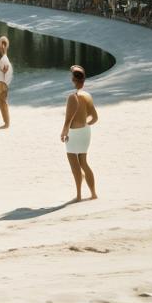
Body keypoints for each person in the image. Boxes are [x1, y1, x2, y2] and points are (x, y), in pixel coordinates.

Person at [62, 65, 99, 201]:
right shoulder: (87, 96)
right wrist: (85, 125)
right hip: (85, 132)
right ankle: (93, 194)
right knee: (84, 163)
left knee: (74, 164)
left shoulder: (73, 97)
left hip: (74, 134)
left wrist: (64, 133)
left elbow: (68, 120)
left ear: (73, 80)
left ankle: (78, 195)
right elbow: (95, 118)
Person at [0, 36, 13, 129]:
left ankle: (7, 123)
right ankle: (6, 122)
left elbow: (7, 72)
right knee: (1, 102)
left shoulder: (4, 59)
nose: (0, 47)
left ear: (5, 47)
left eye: (2, 45)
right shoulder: (3, 58)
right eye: (0, 45)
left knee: (3, 102)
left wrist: (5, 86)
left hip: (2, 84)